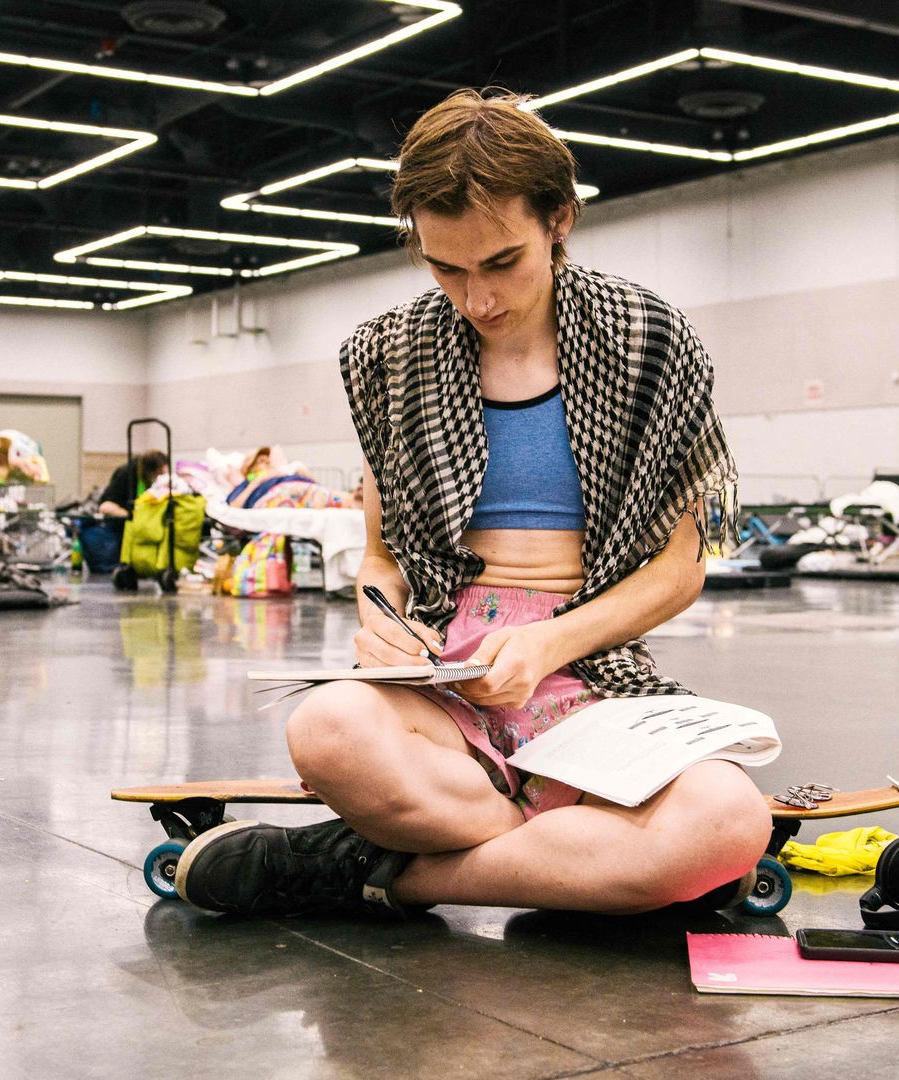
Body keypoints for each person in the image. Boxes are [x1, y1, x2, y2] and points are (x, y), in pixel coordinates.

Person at [173, 89, 769, 919]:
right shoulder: (389, 355)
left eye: (501, 263)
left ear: (560, 219)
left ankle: (359, 869)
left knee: (730, 822)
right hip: (446, 686)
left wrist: (549, 640)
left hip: (592, 670)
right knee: (327, 729)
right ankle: (578, 860)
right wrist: (381, 616)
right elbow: (382, 557)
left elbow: (679, 571)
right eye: (445, 268)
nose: (477, 298)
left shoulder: (648, 340)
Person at [96, 450, 170, 520]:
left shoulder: (147, 475)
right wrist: (133, 518)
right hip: (118, 520)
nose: (161, 478)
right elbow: (105, 506)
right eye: (160, 473)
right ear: (152, 471)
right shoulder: (127, 475)